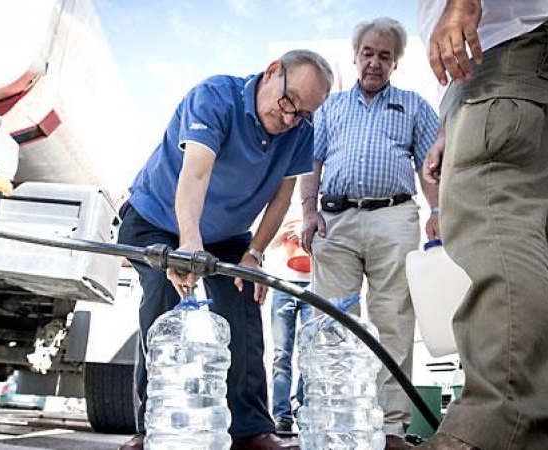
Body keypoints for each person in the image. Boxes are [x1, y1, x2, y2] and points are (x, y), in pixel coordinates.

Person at [414, 1, 548, 449]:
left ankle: (502, 426)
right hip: (509, 60)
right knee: (537, 257)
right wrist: (451, 120)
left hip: (505, 48)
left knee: (490, 226)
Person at [116, 49, 333, 450]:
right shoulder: (214, 97)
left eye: (302, 113)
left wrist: (254, 254)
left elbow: (281, 199)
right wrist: (189, 243)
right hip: (157, 220)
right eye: (288, 103)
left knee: (243, 298)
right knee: (164, 298)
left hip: (226, 233)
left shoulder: (301, 131)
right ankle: (152, 428)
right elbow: (195, 173)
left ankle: (251, 430)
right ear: (272, 73)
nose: (290, 119)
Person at [299, 17, 440, 450]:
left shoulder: (414, 106)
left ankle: (390, 429)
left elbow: (430, 165)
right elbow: (310, 163)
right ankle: (331, 424)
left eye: (384, 56)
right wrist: (308, 212)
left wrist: (438, 209)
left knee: (393, 321)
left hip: (393, 218)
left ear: (395, 62)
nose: (375, 63)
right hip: (335, 222)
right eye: (368, 53)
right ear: (356, 55)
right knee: (331, 323)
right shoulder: (330, 107)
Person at [266, 215, 314, 433]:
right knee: (281, 354)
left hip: (312, 286)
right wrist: (287, 230)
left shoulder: (318, 207)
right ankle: (281, 415)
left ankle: (304, 410)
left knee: (310, 354)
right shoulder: (282, 208)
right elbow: (269, 243)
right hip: (282, 286)